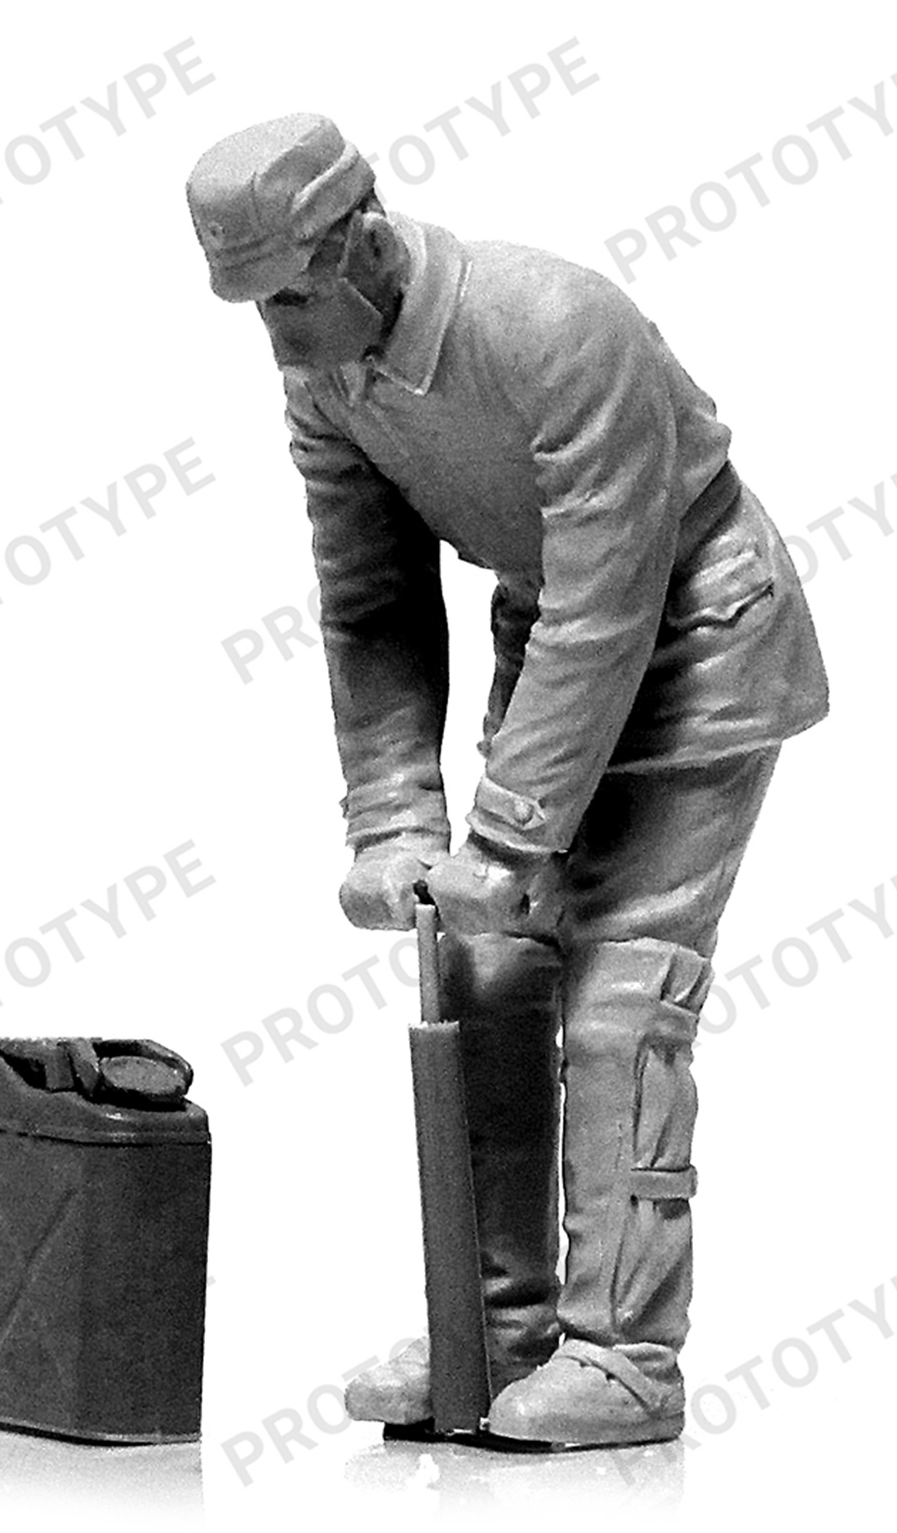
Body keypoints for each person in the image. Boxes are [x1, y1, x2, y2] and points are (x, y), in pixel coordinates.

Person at [185, 113, 831, 1448]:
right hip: (555, 650)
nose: (279, 332)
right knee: (480, 982)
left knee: (621, 1002)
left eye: (292, 294)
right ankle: (491, 1333)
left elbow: (611, 593)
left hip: (696, 642)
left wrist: (508, 838)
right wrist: (395, 825)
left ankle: (624, 1358)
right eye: (253, 307)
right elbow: (371, 604)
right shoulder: (329, 381)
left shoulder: (555, 323)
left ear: (363, 236)